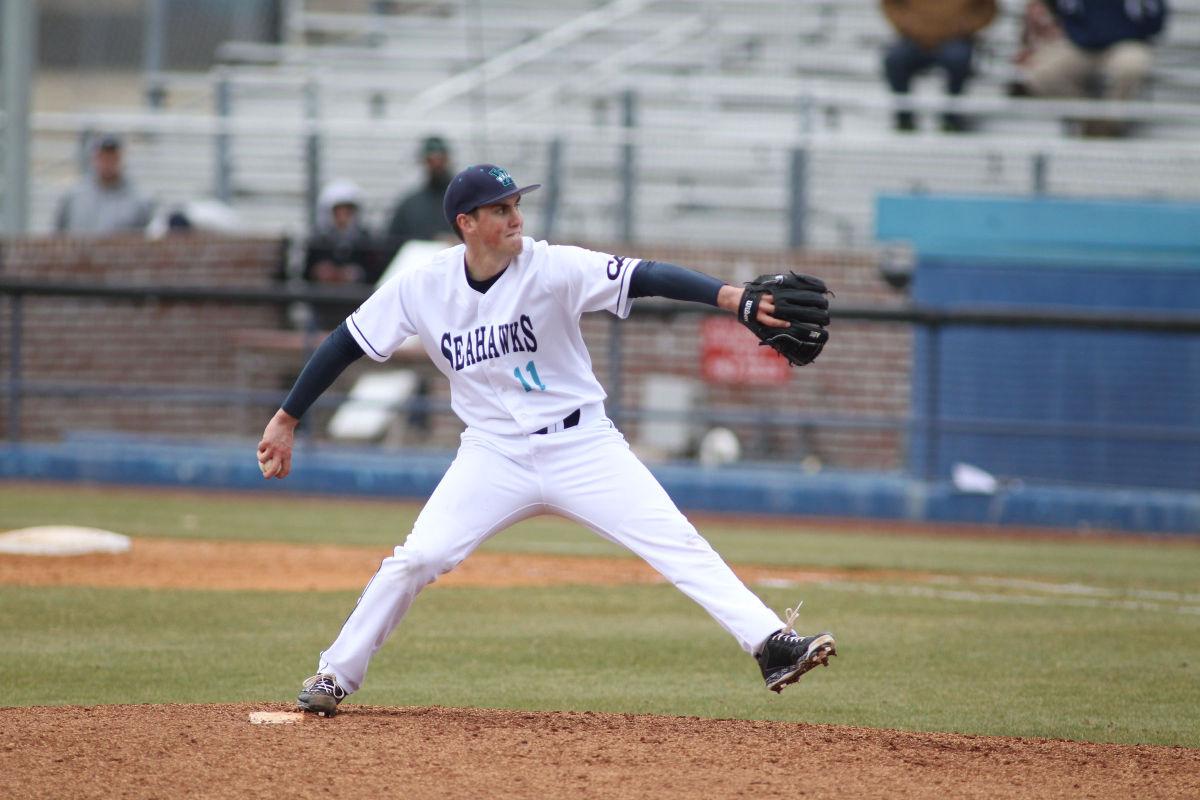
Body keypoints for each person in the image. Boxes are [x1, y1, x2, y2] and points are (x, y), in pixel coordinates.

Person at [256, 163, 837, 716]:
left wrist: (732, 298)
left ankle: (770, 644)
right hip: (492, 453)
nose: (516, 217)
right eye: (500, 209)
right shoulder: (422, 286)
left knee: (675, 543)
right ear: (466, 224)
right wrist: (287, 418)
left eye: (516, 205)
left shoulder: (552, 265)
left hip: (582, 445)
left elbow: (646, 274)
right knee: (418, 558)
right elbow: (345, 341)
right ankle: (334, 674)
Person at [1020, 0, 1168, 136]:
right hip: (1080, 45)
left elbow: (1155, 19)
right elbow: (1052, 9)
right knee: (1040, 72)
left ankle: (1110, 126)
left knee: (1132, 65)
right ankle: (1090, 122)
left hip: (1127, 42)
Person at [880, 0, 998, 132]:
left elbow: (988, 8)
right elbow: (890, 4)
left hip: (955, 39)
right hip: (913, 39)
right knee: (895, 58)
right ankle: (903, 115)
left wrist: (964, 26)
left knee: (959, 57)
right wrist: (909, 24)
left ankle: (952, 116)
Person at [303, 179, 387, 329]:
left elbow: (378, 274)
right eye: (338, 211)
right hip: (324, 309)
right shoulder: (318, 241)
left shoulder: (367, 241)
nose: (343, 217)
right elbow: (304, 275)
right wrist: (319, 272)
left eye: (348, 211)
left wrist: (357, 275)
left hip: (358, 310)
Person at [54, 134, 154, 235]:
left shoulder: (138, 200)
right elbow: (58, 236)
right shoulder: (73, 197)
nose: (108, 163)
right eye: (103, 157)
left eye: (113, 158)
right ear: (94, 158)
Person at [385, 135, 456, 247]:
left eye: (440, 159)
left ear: (447, 160)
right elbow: (393, 241)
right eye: (431, 160)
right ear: (423, 162)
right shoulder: (409, 205)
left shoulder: (465, 200)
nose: (436, 164)